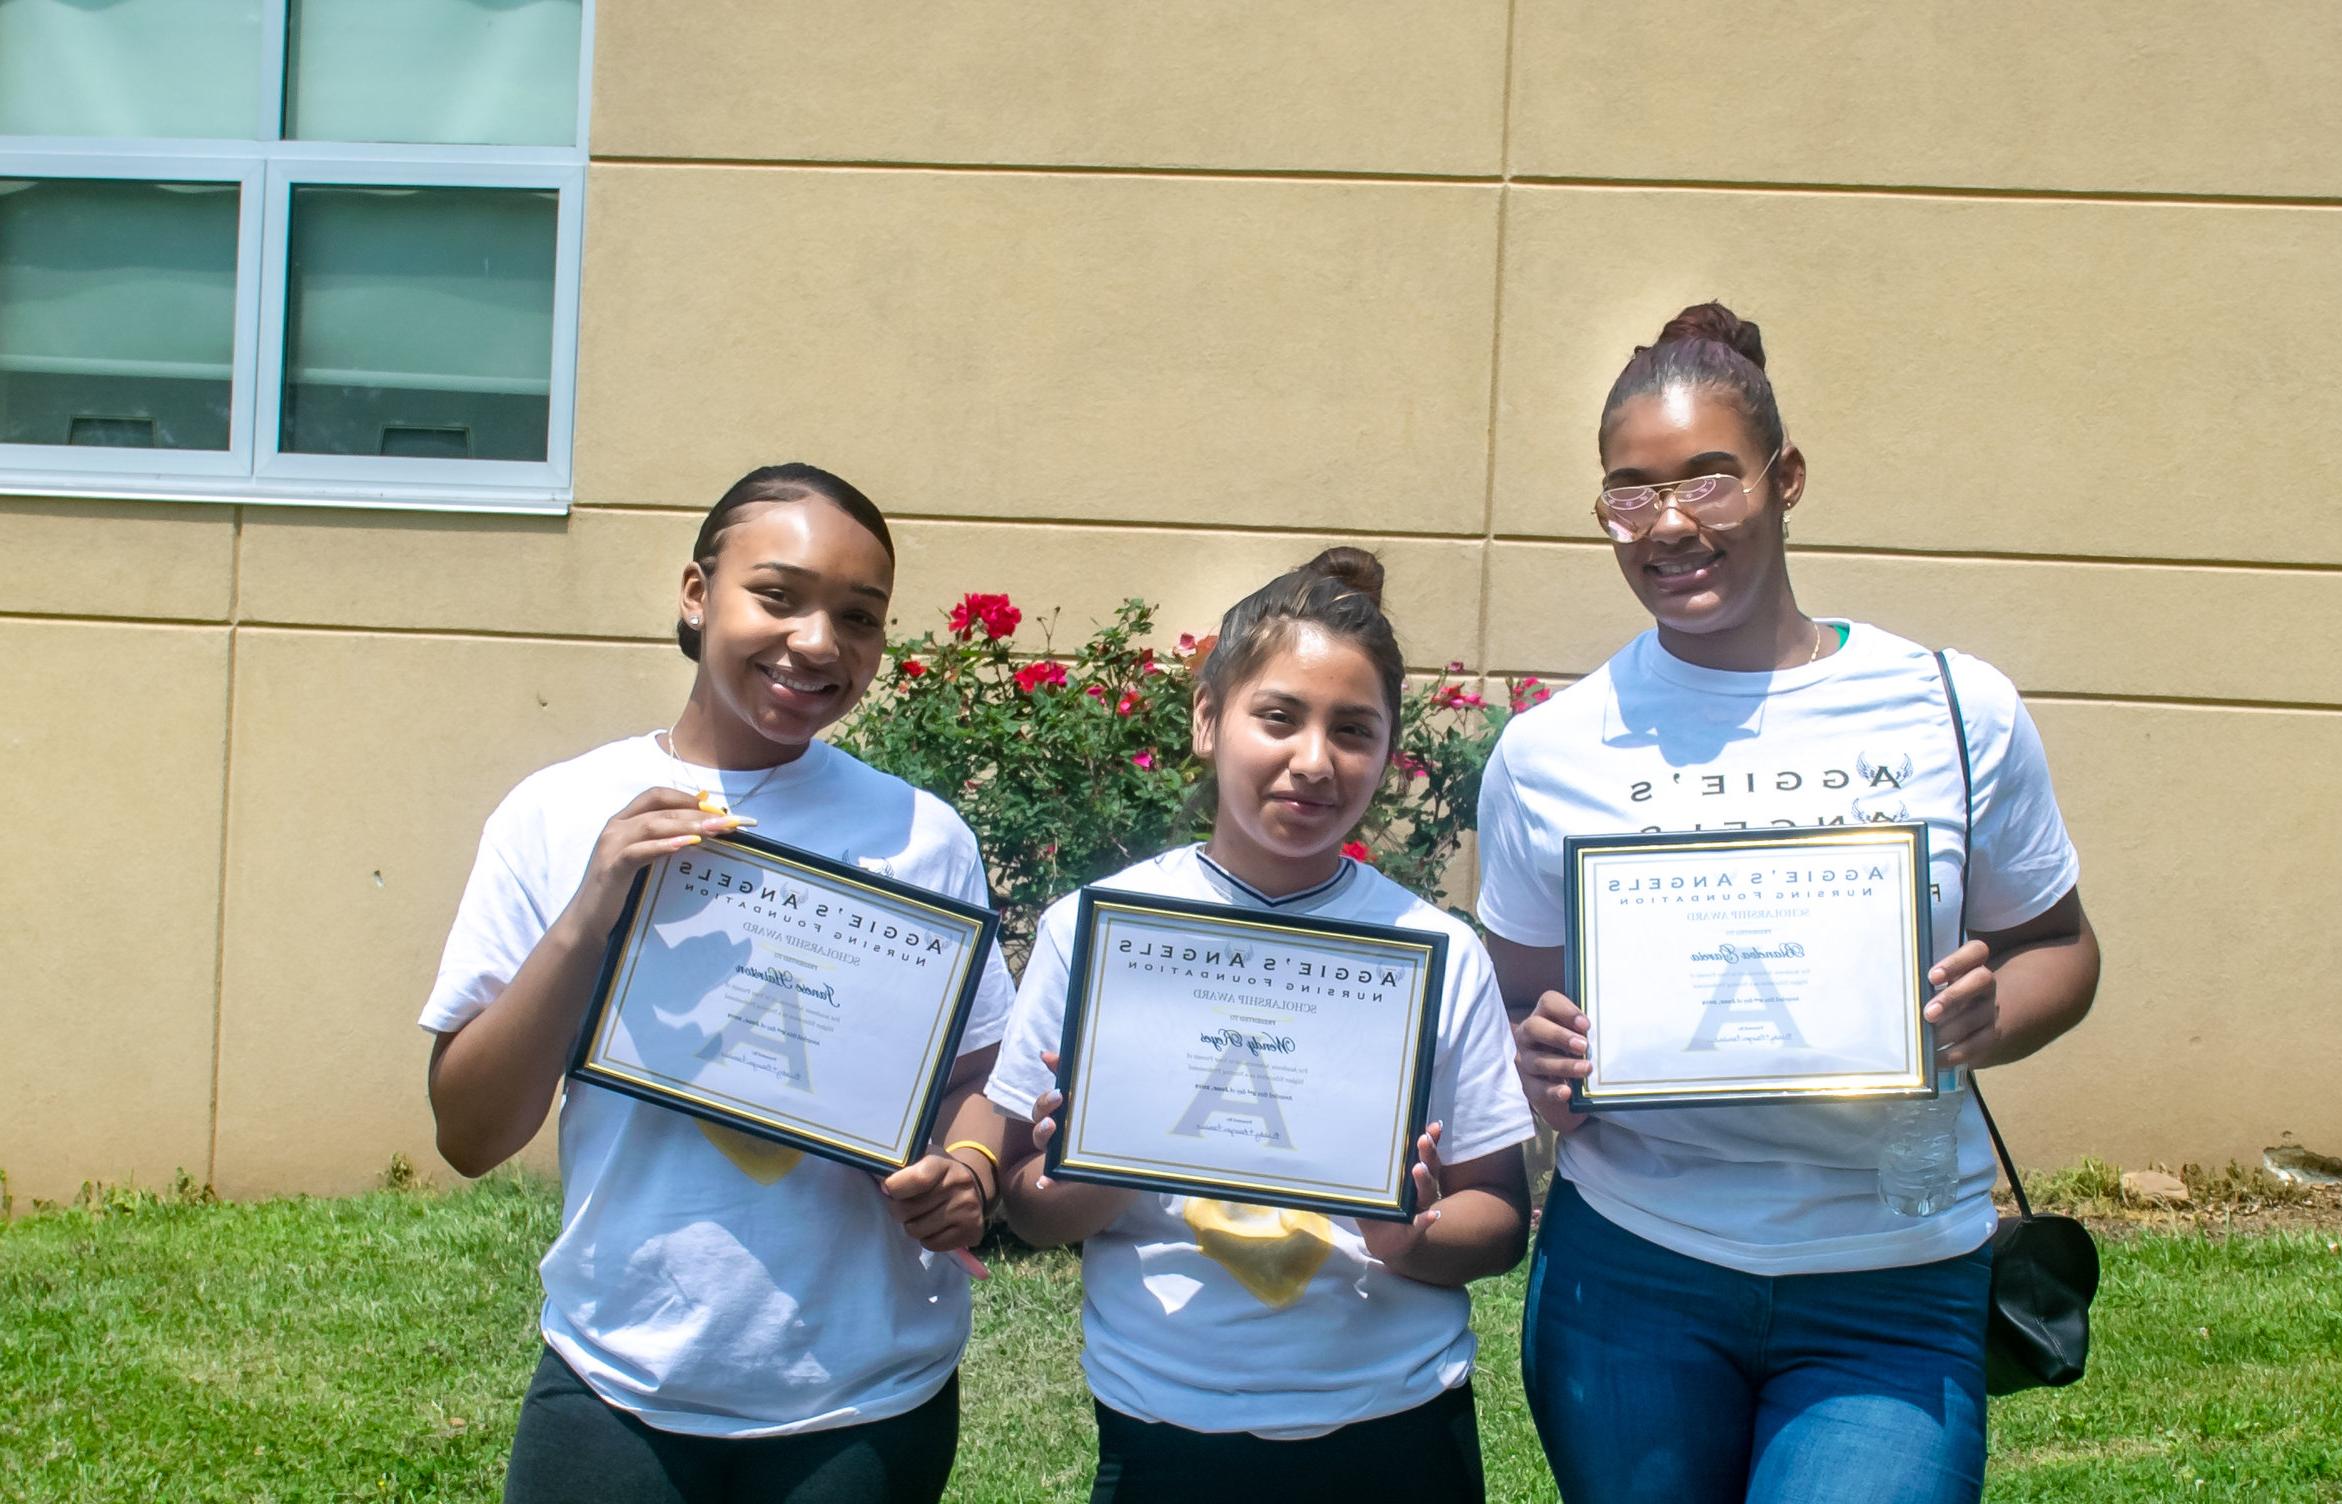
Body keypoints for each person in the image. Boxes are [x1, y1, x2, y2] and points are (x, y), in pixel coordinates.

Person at [1479, 303, 2103, 1503]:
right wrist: (1536, 1055)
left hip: (1892, 1273)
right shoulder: (1550, 750)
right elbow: (1514, 1002)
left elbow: (2061, 949)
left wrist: (1994, 1013)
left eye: (1708, 480)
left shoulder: (1950, 709)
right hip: (1632, 1272)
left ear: (1786, 477)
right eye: (1629, 492)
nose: (1669, 523)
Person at [420, 462, 1015, 1504]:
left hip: (864, 1400)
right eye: (777, 595)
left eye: (859, 617)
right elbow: (470, 1134)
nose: (818, 643)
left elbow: (981, 1068)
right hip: (617, 1374)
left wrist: (970, 1163)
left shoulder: (920, 836)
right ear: (697, 594)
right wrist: (596, 903)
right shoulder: (558, 815)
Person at [985, 548, 1536, 1504]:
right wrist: (1096, 1166)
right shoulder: (1102, 930)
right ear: (1207, 721)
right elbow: (1029, 1209)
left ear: (1389, 751)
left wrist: (1408, 1231)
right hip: (1163, 1423)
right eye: (1278, 717)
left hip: (1396, 1423)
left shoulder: (1436, 948)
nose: (1313, 761)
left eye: (1354, 730)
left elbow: (1500, 1219)